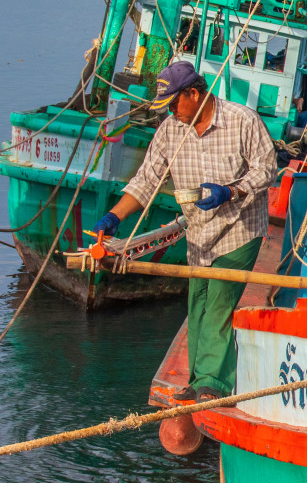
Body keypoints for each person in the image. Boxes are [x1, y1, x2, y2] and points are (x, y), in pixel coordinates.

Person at [94, 61, 277, 403]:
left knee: (220, 302)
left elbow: (267, 169)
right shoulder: (170, 131)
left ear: (195, 93)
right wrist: (114, 216)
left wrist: (232, 191)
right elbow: (147, 181)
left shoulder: (242, 120)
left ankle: (215, 385)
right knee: (199, 305)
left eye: (175, 104)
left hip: (239, 228)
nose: (172, 113)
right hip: (199, 234)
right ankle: (197, 382)